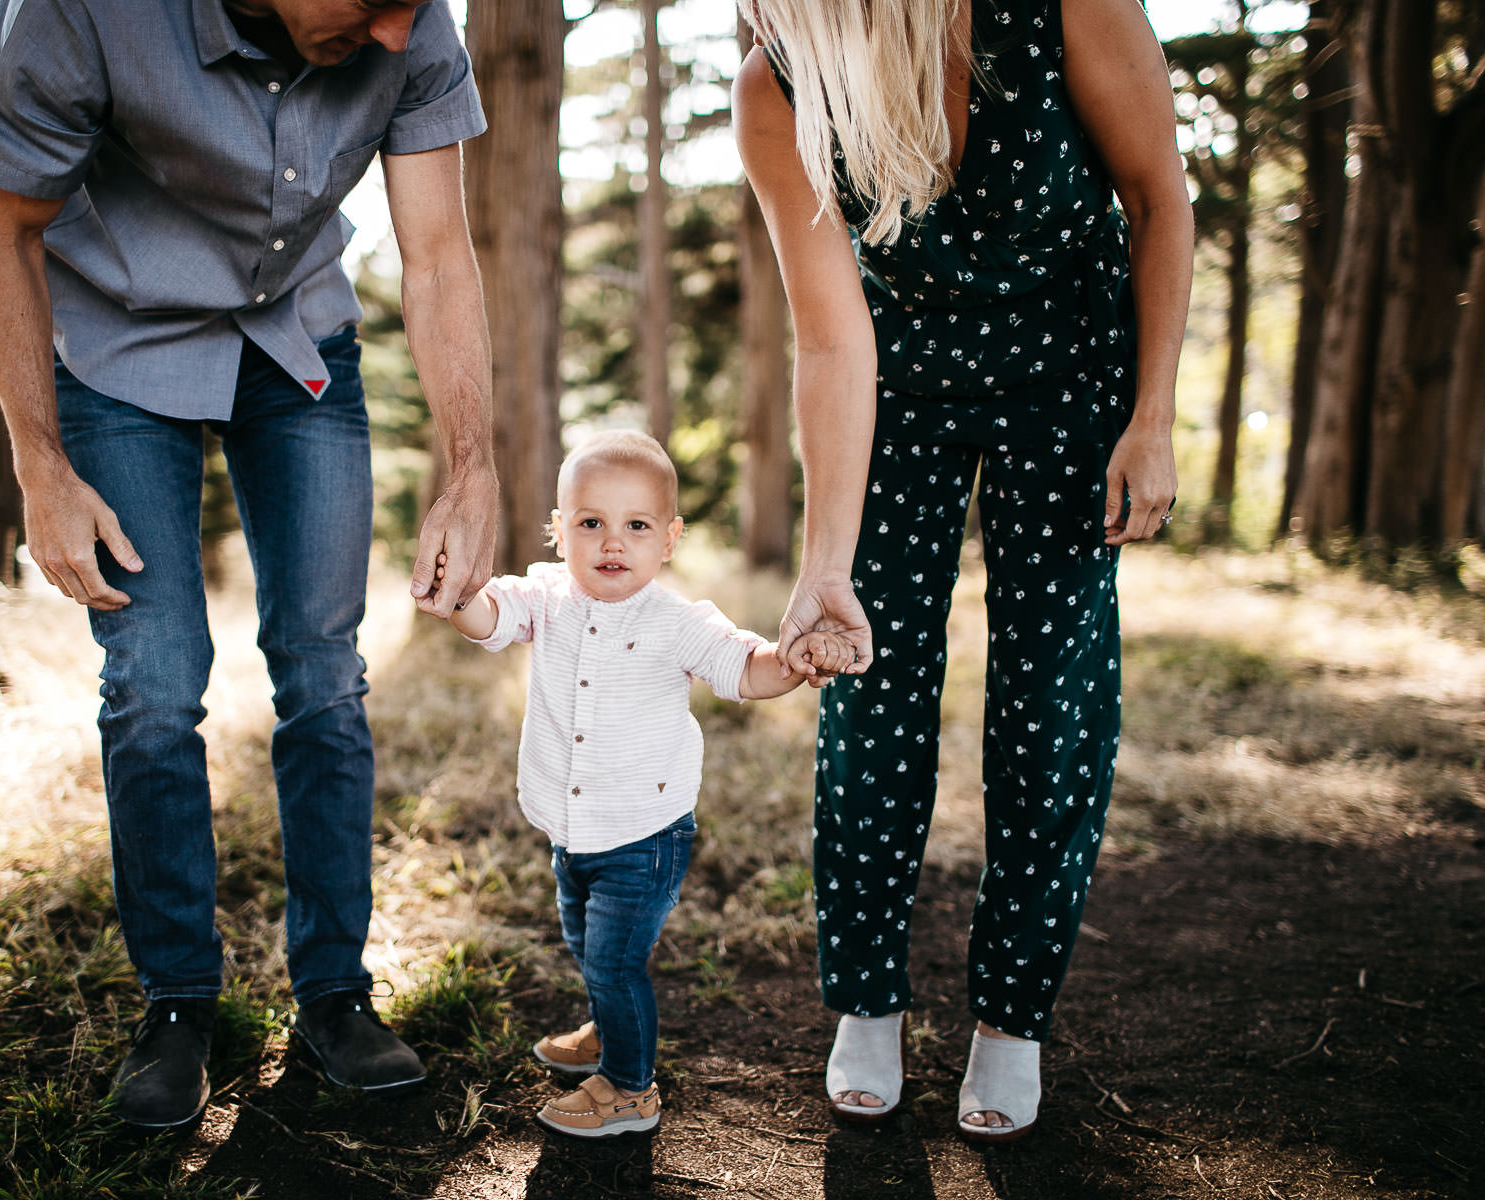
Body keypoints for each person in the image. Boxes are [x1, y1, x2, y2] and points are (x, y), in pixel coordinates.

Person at [0, 0, 498, 1129]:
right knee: (154, 683)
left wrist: (470, 466)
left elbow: (439, 250)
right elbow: (0, 228)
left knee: (324, 673)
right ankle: (177, 1007)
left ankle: (336, 995)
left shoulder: (408, 24)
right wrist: (40, 464)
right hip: (114, 349)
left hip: (296, 341)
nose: (401, 33)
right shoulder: (83, 16)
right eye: (374, 1)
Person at [732, 0, 1192, 1142]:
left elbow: (1157, 200)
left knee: (1048, 700)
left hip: (1070, 373)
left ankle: (1011, 1019)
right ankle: (869, 1004)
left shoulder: (1061, 9)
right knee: (870, 681)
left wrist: (1154, 415)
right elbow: (833, 339)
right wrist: (822, 564)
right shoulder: (776, 85)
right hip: (896, 381)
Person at [438, 430, 855, 1138]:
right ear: (559, 530)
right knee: (583, 941)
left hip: (644, 836)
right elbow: (489, 616)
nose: (612, 541)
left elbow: (745, 669)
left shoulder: (677, 622)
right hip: (570, 829)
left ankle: (631, 1088)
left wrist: (795, 661)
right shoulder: (545, 596)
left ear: (669, 539)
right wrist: (453, 591)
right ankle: (610, 1027)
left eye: (636, 525)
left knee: (615, 961)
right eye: (591, 522)